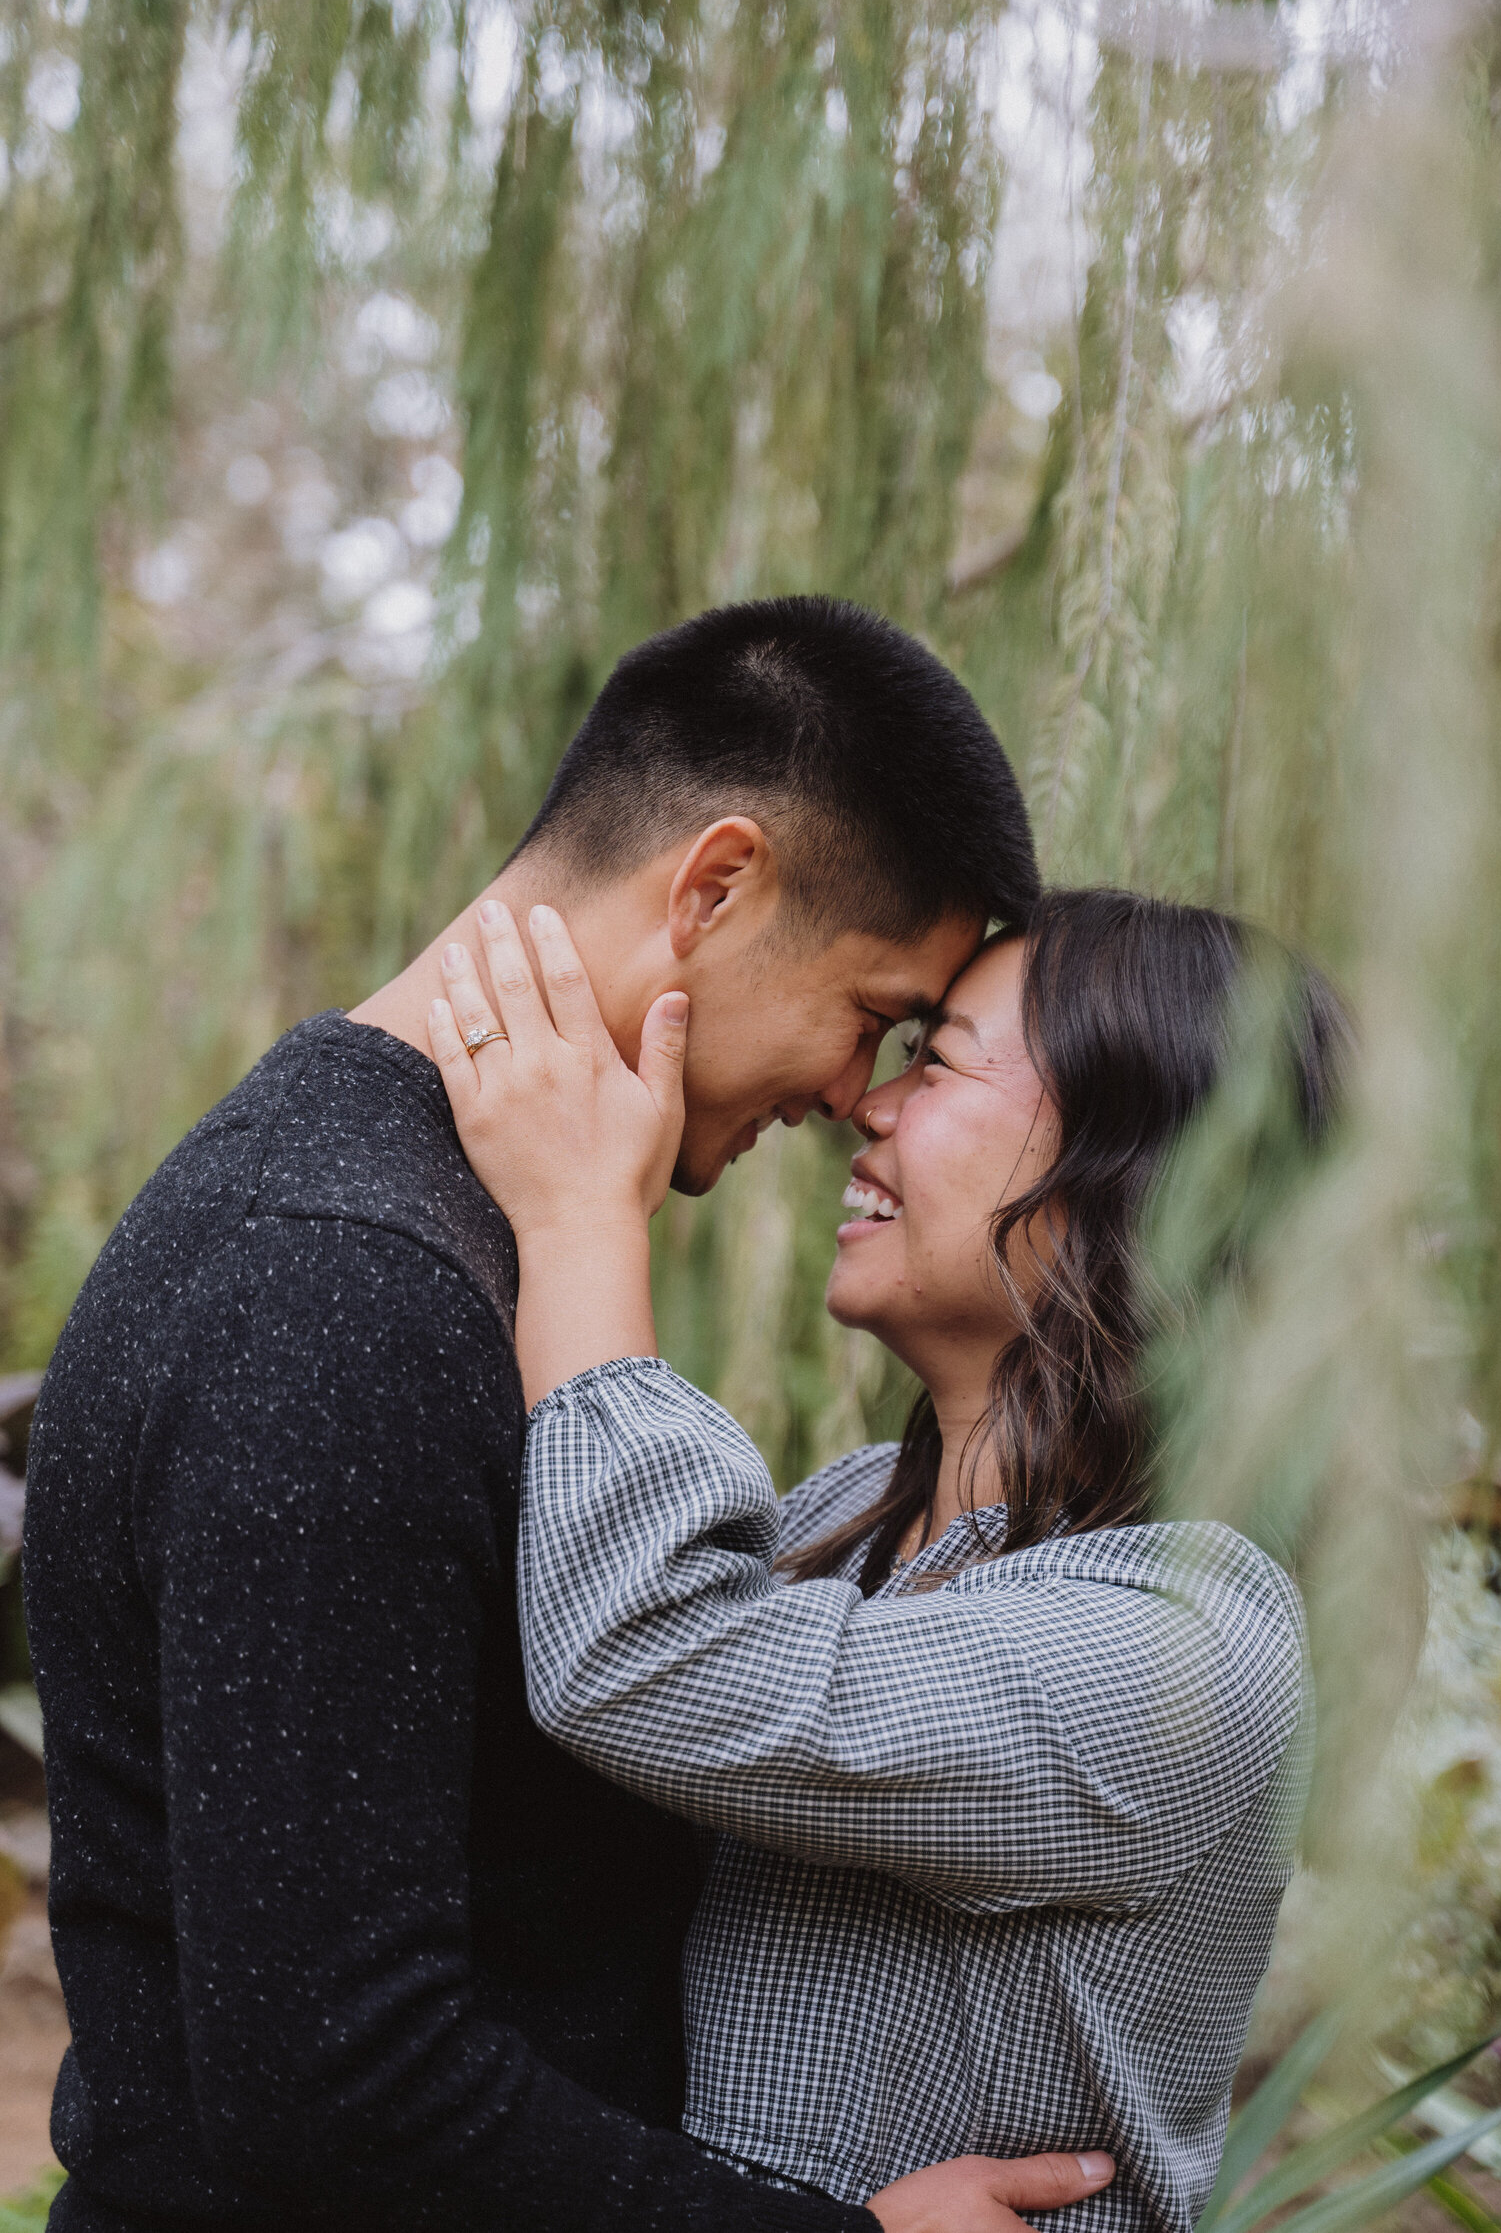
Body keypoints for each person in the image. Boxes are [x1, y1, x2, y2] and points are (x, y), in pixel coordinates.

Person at [23, 598, 1118, 2233]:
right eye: (872, 1011)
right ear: (717, 886)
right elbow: (330, 2077)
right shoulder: (344, 1297)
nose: (849, 1099)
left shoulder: (406, 1229)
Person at [426, 886, 1342, 2232]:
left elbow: (648, 1658)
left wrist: (578, 1219)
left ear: (1146, 1170)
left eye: (942, 1058)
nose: (870, 1103)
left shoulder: (1192, 1644)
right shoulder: (850, 1513)